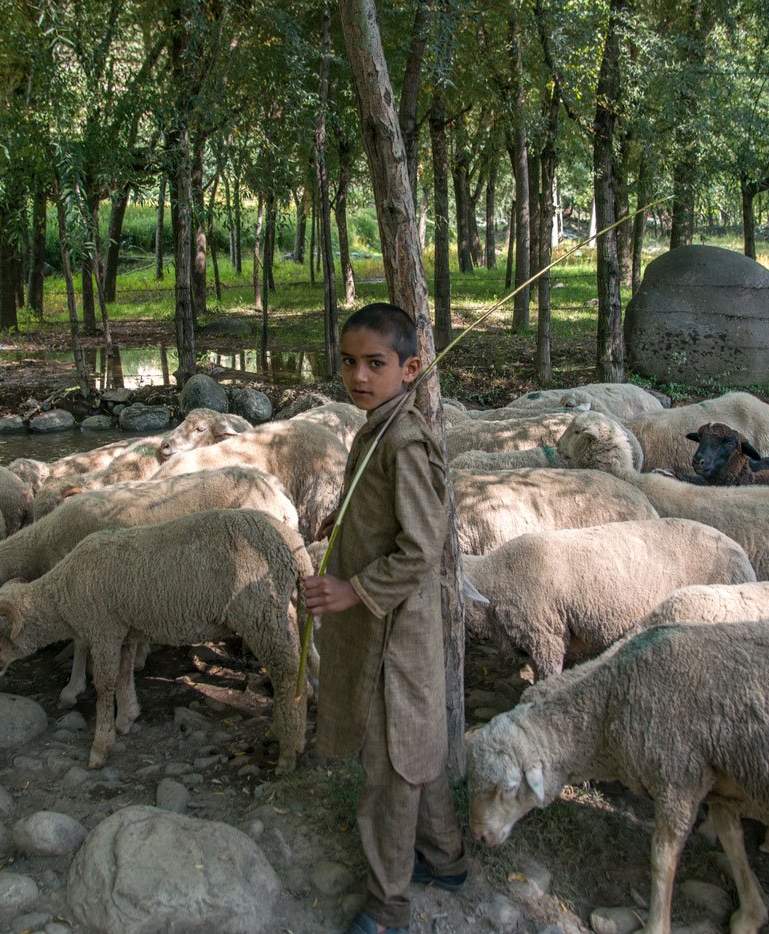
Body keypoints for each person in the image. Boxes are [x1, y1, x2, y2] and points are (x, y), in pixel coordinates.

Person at [301, 302, 468, 934]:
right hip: (387, 622)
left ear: (410, 367)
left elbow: (422, 549)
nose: (359, 376)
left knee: (391, 766)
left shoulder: (404, 439)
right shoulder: (377, 427)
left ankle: (388, 905)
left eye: (376, 363)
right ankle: (444, 858)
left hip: (396, 630)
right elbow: (383, 522)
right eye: (349, 362)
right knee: (413, 748)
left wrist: (352, 591)